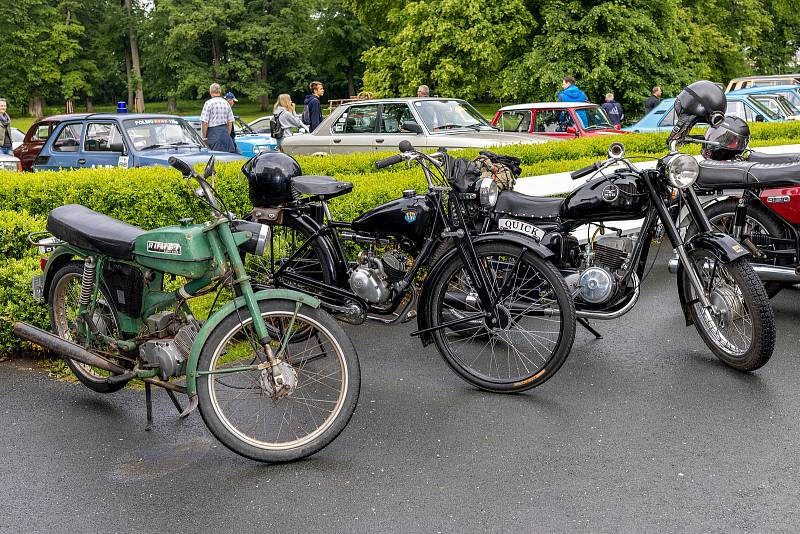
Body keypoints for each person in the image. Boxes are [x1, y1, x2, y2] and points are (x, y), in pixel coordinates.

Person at [200, 83, 236, 153]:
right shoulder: (226, 103)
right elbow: (230, 122)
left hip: (212, 135)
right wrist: (227, 135)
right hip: (225, 134)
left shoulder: (208, 103)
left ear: (210, 92)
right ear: (220, 91)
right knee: (227, 159)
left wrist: (204, 138)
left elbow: (205, 122)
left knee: (215, 159)